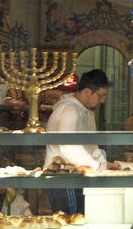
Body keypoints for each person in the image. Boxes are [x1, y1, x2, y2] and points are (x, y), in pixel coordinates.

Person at [44, 68, 110, 215]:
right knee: (70, 223)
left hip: (78, 176)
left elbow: (91, 144)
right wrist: (98, 165)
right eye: (101, 96)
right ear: (87, 91)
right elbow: (69, 146)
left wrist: (102, 164)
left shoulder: (87, 112)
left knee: (80, 222)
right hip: (64, 179)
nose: (103, 101)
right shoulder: (70, 110)